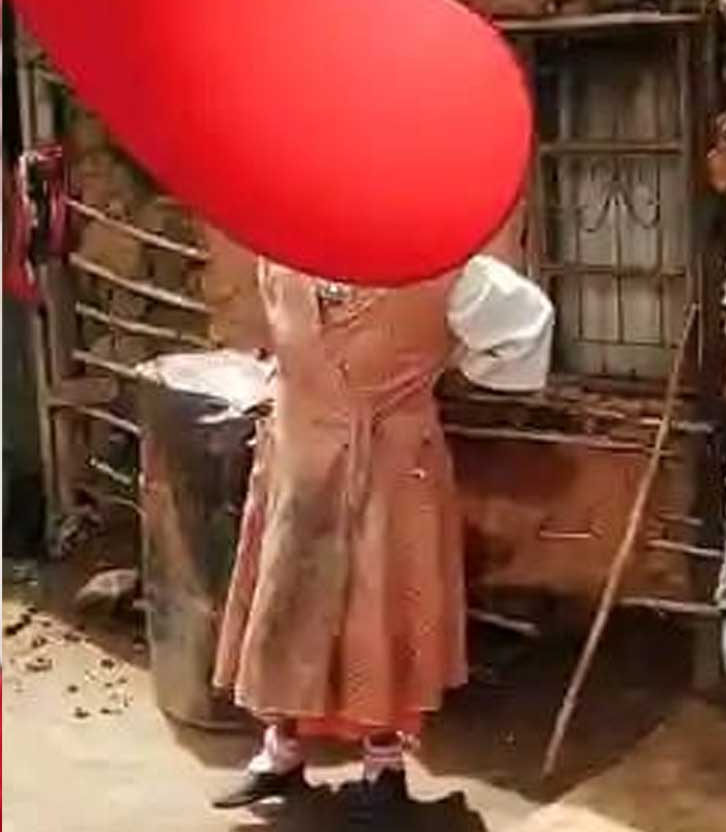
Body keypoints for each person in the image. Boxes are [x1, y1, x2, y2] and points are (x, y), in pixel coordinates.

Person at [208, 247, 554, 820]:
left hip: (393, 469)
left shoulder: (446, 272)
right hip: (299, 460)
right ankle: (281, 752)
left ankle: (383, 765)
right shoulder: (283, 257)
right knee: (288, 605)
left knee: (380, 608)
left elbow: (524, 330)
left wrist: (451, 363)